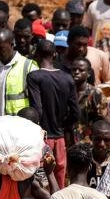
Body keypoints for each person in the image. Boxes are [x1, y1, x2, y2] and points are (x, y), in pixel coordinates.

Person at [27, 40, 79, 189]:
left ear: (36, 55)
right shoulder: (68, 78)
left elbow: (38, 110)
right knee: (60, 180)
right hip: (61, 138)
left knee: (42, 181)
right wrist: (62, 124)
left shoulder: (34, 77)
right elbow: (75, 113)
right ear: (55, 54)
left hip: (43, 138)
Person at [0, 29, 38, 119]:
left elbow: (36, 104)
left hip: (17, 127)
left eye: (0, 48)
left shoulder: (29, 67)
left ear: (12, 45)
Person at [64, 25, 110, 101]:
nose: (81, 49)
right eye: (78, 44)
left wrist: (99, 100)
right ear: (69, 42)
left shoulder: (100, 56)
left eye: (85, 45)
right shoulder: (60, 61)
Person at [70, 57, 110, 143]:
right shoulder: (66, 92)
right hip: (69, 142)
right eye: (74, 70)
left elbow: (104, 121)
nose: (76, 72)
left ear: (88, 73)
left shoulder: (96, 94)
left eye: (81, 70)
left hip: (89, 143)